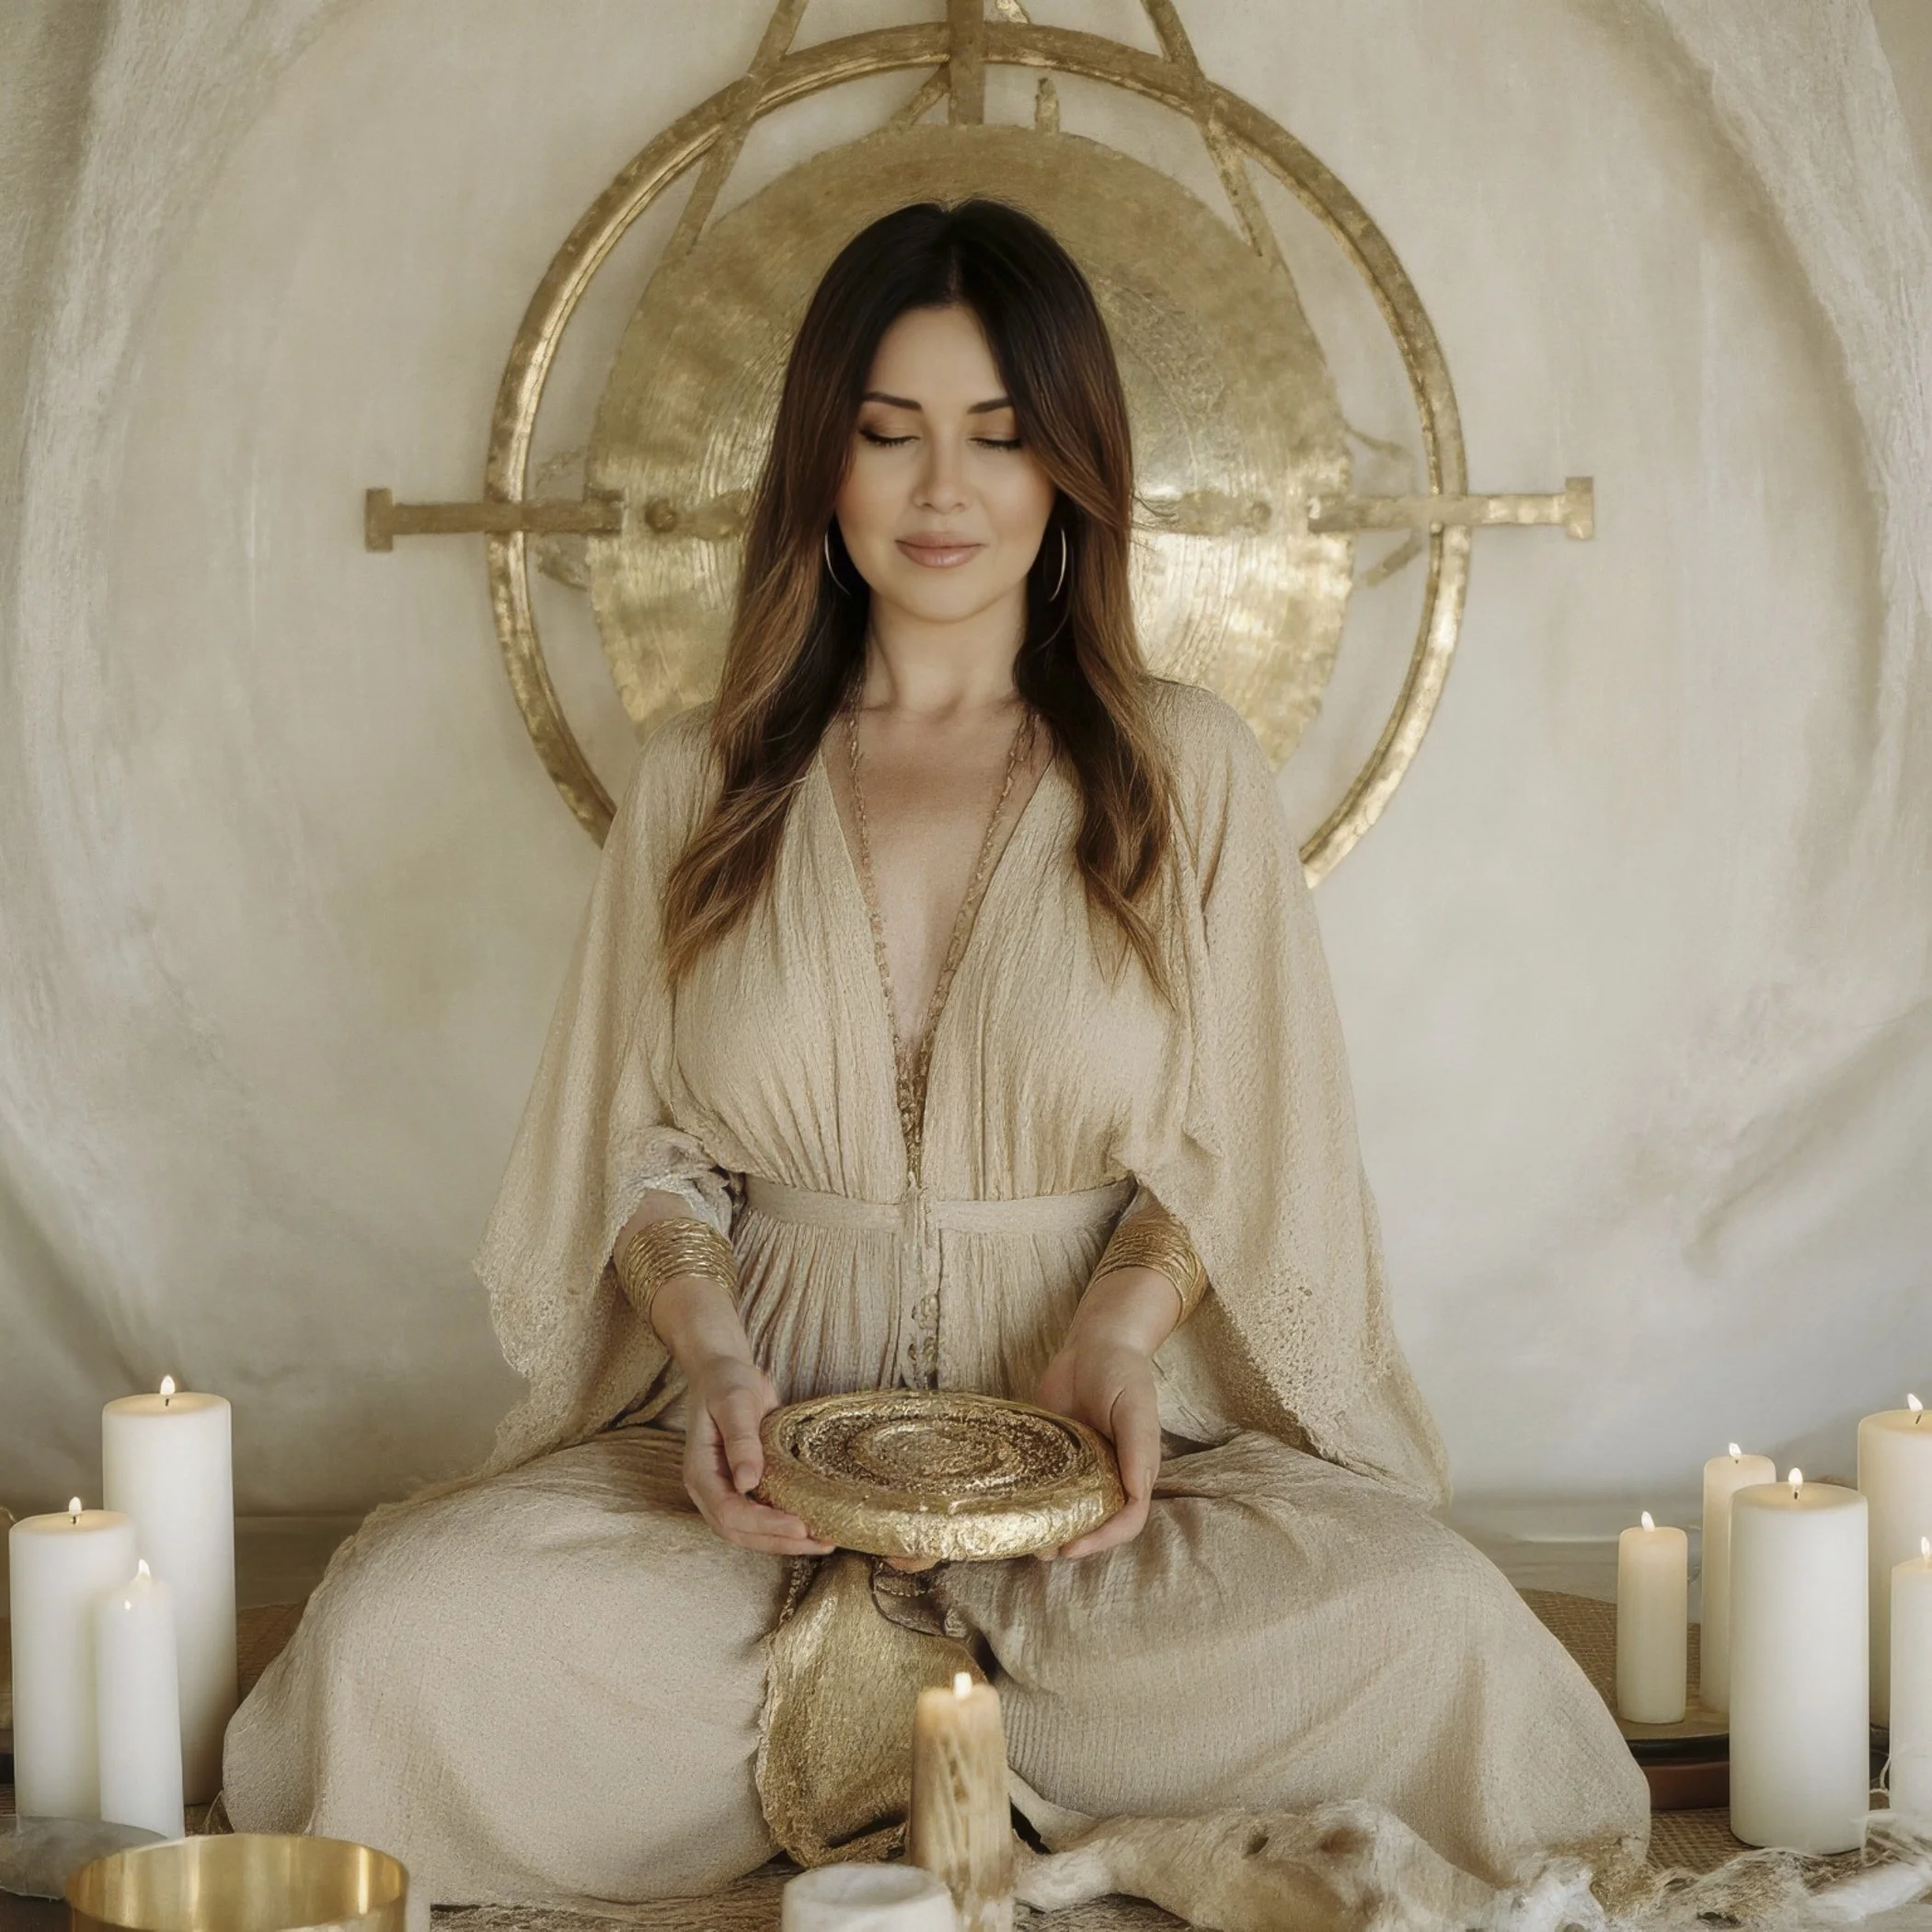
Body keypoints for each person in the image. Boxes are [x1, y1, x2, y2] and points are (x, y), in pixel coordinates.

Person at [224, 200, 1648, 1906]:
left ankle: (942, 1754)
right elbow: (642, 1146)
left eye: (999, 435)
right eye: (888, 435)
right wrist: (720, 1367)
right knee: (403, 1631)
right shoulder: (703, 778)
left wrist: (1120, 1333)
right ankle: (978, 1769)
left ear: (1072, 472)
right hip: (756, 1483)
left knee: (1420, 1620)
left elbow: (1240, 1143)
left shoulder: (1185, 770)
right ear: (822, 467)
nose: (943, 490)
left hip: (1107, 1482)